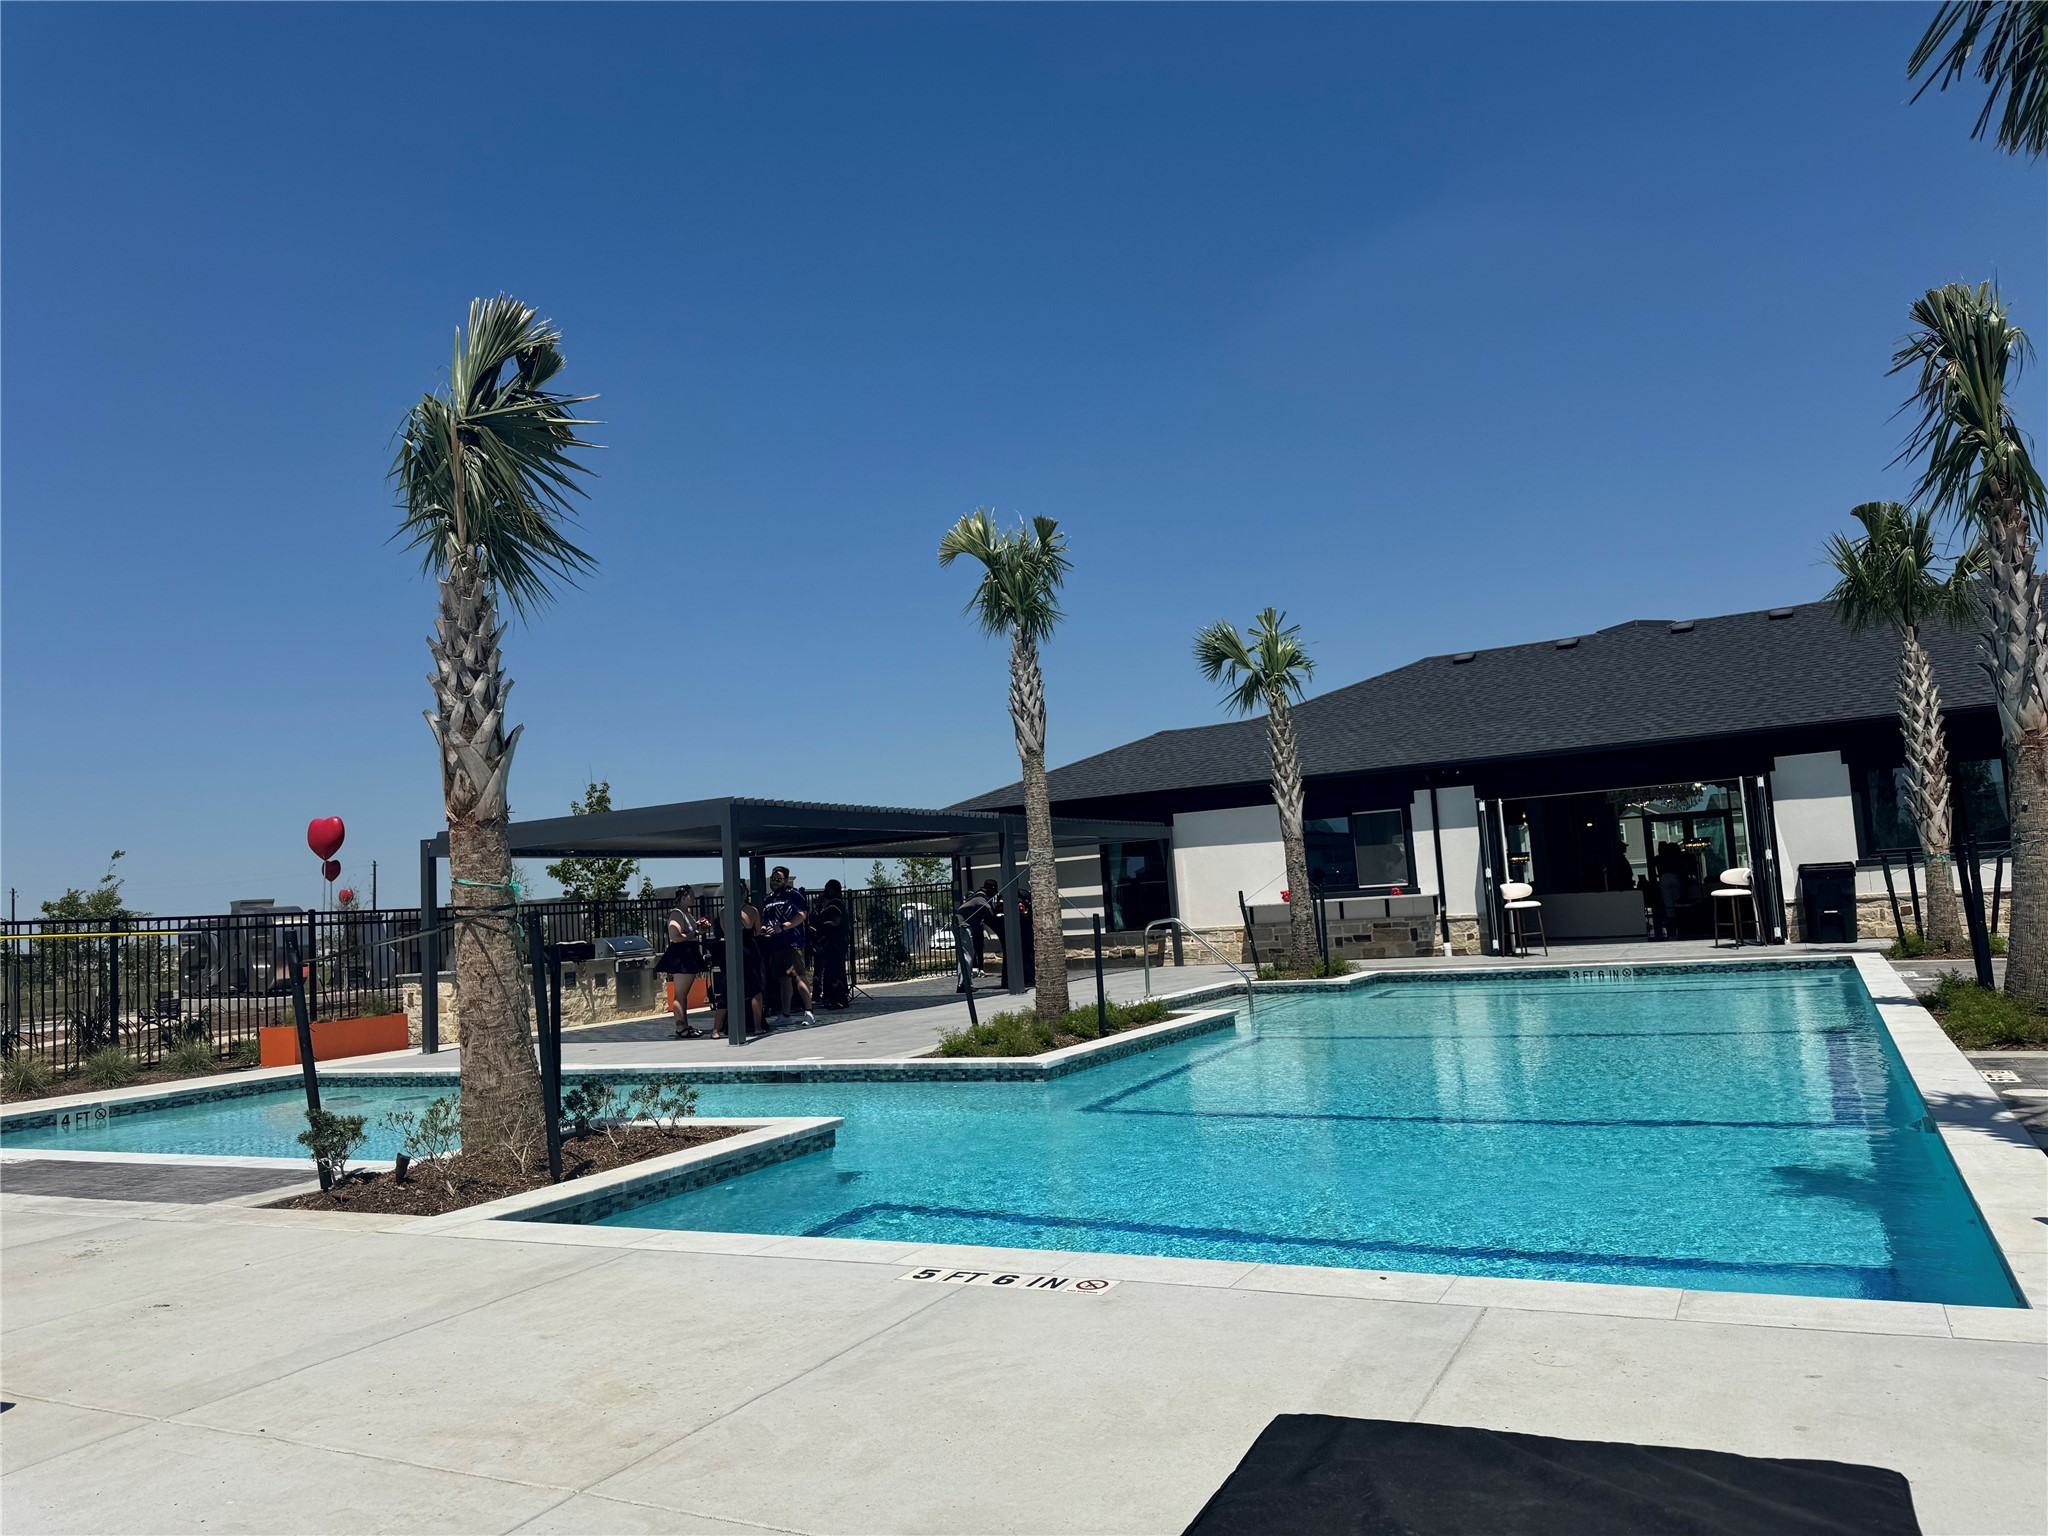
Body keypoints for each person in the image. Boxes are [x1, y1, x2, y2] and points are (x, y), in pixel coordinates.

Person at [702, 891, 765, 1042]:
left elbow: (732, 928)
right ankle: (754, 1026)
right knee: (743, 989)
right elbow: (753, 930)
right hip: (742, 948)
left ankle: (719, 1029)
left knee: (740, 988)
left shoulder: (734, 910)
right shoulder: (740, 910)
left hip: (739, 948)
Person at [760, 866, 816, 1026]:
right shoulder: (768, 900)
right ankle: (786, 1014)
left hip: (792, 942)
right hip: (775, 945)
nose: (774, 882)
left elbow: (802, 915)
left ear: (785, 880)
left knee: (799, 976)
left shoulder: (793, 895)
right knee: (783, 979)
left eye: (778, 879)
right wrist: (764, 928)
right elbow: (765, 920)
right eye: (772, 879)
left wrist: (784, 927)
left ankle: (809, 1012)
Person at [655, 893, 707, 1038]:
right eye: (691, 895)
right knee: (680, 994)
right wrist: (694, 933)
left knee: (683, 994)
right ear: (683, 898)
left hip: (689, 953)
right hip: (682, 955)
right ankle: (680, 1027)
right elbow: (675, 936)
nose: (694, 897)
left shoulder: (687, 913)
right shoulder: (676, 914)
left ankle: (684, 1025)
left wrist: (698, 928)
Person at [952, 879, 999, 992]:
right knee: (967, 955)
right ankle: (964, 985)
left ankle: (963, 983)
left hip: (959, 925)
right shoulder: (981, 898)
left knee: (965, 955)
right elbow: (990, 914)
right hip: (963, 927)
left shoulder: (977, 896)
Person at [811, 879, 851, 1009]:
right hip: (833, 943)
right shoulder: (835, 904)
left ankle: (839, 999)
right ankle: (831, 998)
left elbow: (836, 922)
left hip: (836, 942)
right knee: (831, 970)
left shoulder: (835, 904)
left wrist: (823, 924)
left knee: (835, 971)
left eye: (827, 889)